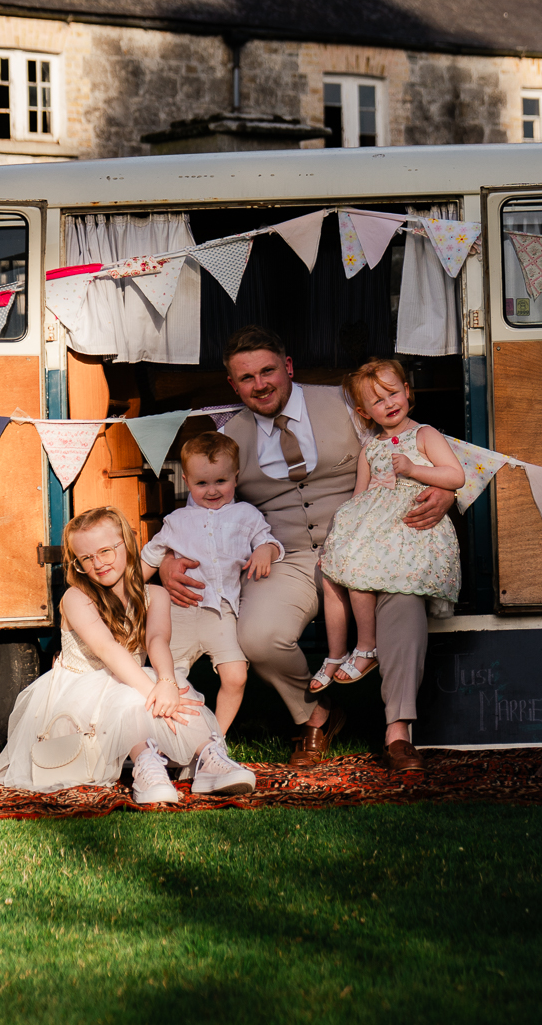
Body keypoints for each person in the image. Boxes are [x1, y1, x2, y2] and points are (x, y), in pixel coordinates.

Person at [156, 326, 458, 774]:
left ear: (288, 367)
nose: (260, 385)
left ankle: (398, 730)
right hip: (287, 555)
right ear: (232, 385)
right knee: (257, 637)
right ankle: (315, 714)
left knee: (404, 603)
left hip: (369, 543)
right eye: (246, 378)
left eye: (268, 371)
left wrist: (446, 493)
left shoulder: (346, 402)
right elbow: (200, 506)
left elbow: (412, 440)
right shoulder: (230, 435)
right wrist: (167, 560)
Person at [0, 506, 255, 802]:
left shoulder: (156, 594)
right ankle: (146, 765)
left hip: (127, 677)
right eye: (85, 559)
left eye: (105, 551)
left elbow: (157, 640)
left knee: (176, 686)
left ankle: (208, 758)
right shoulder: (76, 598)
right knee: (131, 695)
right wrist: (153, 692)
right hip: (77, 693)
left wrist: (166, 682)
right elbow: (108, 650)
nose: (98, 563)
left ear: (126, 544)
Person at [310, 359, 464, 691]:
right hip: (374, 529)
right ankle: (347, 650)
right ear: (365, 413)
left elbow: (455, 476)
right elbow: (357, 498)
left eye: (392, 394)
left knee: (361, 573)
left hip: (411, 525)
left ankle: (367, 648)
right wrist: (337, 543)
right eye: (377, 401)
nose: (388, 404)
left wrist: (412, 469)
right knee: (340, 571)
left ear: (407, 392)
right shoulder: (371, 448)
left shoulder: (424, 434)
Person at [139, 431, 280, 741]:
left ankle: (216, 736)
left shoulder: (246, 515)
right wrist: (127, 588)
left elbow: (268, 540)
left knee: (236, 676)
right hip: (182, 613)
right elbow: (150, 556)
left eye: (221, 481)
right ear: (187, 481)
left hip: (222, 613)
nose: (212, 490)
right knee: (168, 677)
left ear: (235, 477)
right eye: (202, 483)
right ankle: (173, 736)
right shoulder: (178, 520)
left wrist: (263, 551)